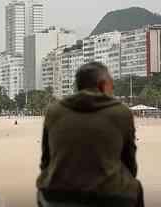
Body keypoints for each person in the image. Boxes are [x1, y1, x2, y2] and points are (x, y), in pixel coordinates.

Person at [37, 62, 143, 207]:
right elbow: (130, 165)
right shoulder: (121, 112)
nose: (112, 89)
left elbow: (45, 162)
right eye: (111, 84)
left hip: (56, 196)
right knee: (136, 188)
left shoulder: (54, 111)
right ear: (102, 85)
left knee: (43, 185)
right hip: (110, 198)